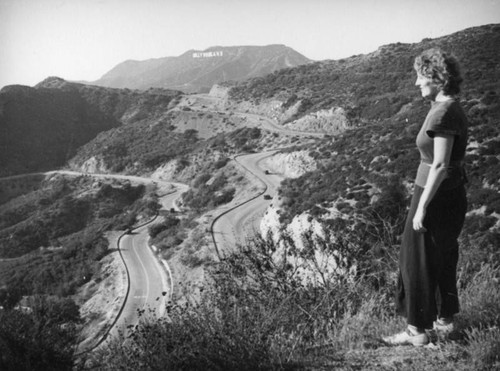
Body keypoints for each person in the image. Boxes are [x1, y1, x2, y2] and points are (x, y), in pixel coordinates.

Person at [383, 48, 468, 346]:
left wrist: (420, 208)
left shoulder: (443, 112)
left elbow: (441, 164)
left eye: (421, 77)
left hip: (435, 196)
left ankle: (416, 332)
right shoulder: (447, 107)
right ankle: (445, 321)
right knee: (442, 256)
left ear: (437, 78)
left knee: (414, 259)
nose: (417, 83)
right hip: (446, 193)